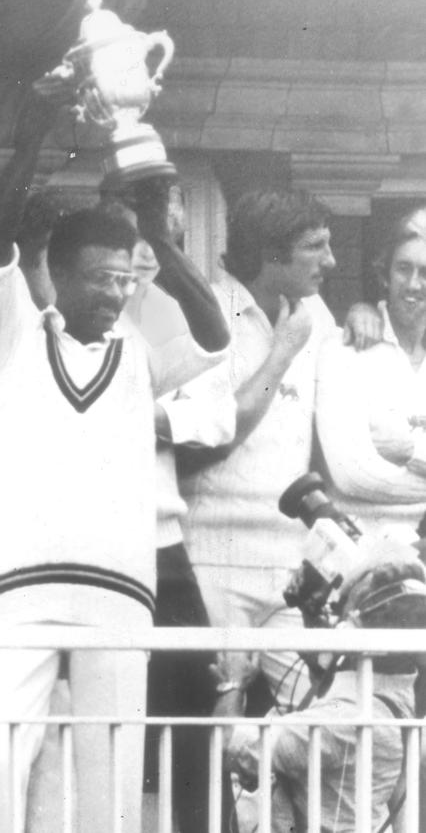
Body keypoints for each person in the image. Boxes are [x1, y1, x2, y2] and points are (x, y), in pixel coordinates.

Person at [0, 78, 229, 833]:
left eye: (122, 279)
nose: (113, 292)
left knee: (108, 798)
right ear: (61, 275)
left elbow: (215, 334)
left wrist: (158, 239)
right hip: (17, 593)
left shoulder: (139, 354)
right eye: (99, 278)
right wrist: (37, 129)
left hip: (118, 595)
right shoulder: (9, 335)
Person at [178, 188, 337, 714]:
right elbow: (223, 430)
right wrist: (285, 351)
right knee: (222, 724)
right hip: (215, 554)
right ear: (271, 254)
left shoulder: (316, 313)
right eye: (315, 247)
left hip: (289, 558)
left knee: (324, 720)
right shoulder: (206, 313)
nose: (330, 261)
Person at [228, 541, 423, 833]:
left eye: (347, 619)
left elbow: (231, 749)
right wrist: (319, 643)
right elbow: (336, 694)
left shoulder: (341, 721)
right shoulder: (394, 697)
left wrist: (231, 685)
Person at [316, 205, 426, 546]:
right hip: (363, 550)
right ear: (384, 274)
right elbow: (353, 473)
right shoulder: (345, 349)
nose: (413, 284)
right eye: (403, 269)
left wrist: (401, 451)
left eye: (425, 272)